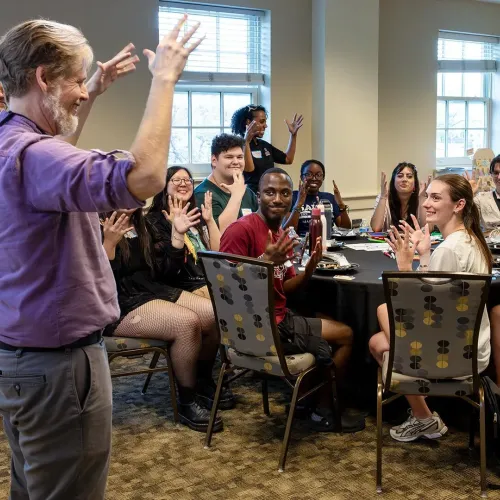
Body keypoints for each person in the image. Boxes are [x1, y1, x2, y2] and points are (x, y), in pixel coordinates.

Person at [0, 16, 201, 499]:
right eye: (73, 81)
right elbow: (147, 177)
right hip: (60, 369)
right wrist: (165, 79)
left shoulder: (12, 145)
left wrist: (90, 88)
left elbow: (52, 160)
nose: (80, 93)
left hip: (22, 359)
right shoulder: (34, 156)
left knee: (33, 487)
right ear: (42, 78)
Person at [220, 167, 365, 433]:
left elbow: (285, 286)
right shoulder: (240, 231)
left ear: (292, 198)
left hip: (278, 318)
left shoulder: (279, 233)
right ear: (258, 196)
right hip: (260, 329)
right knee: (345, 334)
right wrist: (265, 261)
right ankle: (322, 412)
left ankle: (302, 401)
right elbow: (229, 290)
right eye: (270, 192)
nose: (277, 199)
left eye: (285, 193)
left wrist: (309, 269)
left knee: (328, 320)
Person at [369, 174, 492, 442]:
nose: (426, 203)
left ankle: (424, 418)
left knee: (382, 311)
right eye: (427, 196)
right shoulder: (470, 240)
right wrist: (425, 255)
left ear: (458, 205)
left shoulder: (448, 250)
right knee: (379, 343)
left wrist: (404, 268)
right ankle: (424, 416)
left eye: (436, 197)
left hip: (449, 354)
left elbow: (422, 312)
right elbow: (438, 301)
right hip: (472, 351)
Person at [102, 207, 232, 432]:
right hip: (119, 303)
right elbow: (97, 282)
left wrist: (177, 235)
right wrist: (109, 244)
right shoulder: (97, 224)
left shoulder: (143, 225)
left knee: (214, 314)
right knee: (186, 323)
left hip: (153, 290)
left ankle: (202, 381)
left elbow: (165, 273)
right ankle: (187, 399)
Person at [148, 166, 219, 298]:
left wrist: (210, 221)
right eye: (176, 180)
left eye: (187, 180)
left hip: (209, 278)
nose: (183, 184)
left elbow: (217, 252)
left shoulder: (196, 215)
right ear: (164, 186)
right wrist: (175, 229)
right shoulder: (154, 221)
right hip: (185, 286)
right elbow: (167, 272)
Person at [230, 104, 303, 193]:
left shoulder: (264, 145)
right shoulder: (238, 145)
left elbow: (288, 159)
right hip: (249, 195)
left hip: (268, 193)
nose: (265, 126)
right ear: (249, 122)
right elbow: (249, 169)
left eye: (265, 122)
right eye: (261, 122)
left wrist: (293, 135)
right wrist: (247, 141)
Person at [194, 133, 258, 234]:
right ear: (214, 160)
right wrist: (236, 196)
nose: (236, 162)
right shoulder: (202, 194)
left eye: (240, 157)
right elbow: (221, 238)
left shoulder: (248, 193)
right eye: (229, 157)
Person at [283, 159, 351, 236]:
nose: (314, 179)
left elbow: (346, 229)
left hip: (328, 242)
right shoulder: (292, 197)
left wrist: (341, 205)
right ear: (302, 177)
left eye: (318, 175)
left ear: (323, 178)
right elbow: (287, 232)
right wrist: (298, 204)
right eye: (309, 174)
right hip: (301, 244)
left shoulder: (329, 198)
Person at [371, 162, 429, 232]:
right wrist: (383, 196)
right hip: (389, 242)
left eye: (409, 176)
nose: (404, 180)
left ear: (415, 182)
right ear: (393, 181)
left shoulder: (421, 197)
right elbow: (376, 228)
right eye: (400, 176)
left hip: (415, 242)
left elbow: (428, 229)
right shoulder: (384, 197)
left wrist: (422, 198)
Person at [465, 156, 500, 232]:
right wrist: (469, 195)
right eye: (496, 173)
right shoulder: (481, 199)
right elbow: (466, 221)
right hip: (490, 242)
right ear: (491, 174)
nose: (499, 177)